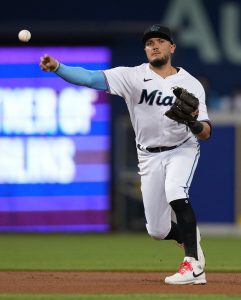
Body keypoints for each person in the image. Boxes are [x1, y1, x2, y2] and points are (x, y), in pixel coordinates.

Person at [40, 24, 211, 285]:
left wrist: (193, 123)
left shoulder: (191, 84)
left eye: (160, 41)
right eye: (149, 42)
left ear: (172, 47)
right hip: (149, 156)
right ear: (145, 49)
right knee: (157, 230)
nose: (154, 45)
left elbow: (206, 132)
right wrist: (58, 67)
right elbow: (89, 78)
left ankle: (193, 266)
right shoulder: (131, 77)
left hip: (182, 149)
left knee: (176, 192)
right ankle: (187, 236)